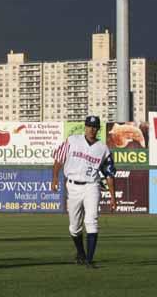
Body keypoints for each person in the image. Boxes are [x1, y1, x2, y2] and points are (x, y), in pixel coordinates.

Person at [51, 115, 117, 269]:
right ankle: (81, 253)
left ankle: (89, 259)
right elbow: (58, 160)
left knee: (91, 221)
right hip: (73, 185)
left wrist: (113, 197)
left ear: (98, 129)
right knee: (74, 227)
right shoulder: (72, 140)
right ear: (85, 127)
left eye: (94, 127)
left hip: (91, 186)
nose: (91, 129)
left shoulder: (103, 148)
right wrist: (54, 178)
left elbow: (109, 174)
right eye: (89, 126)